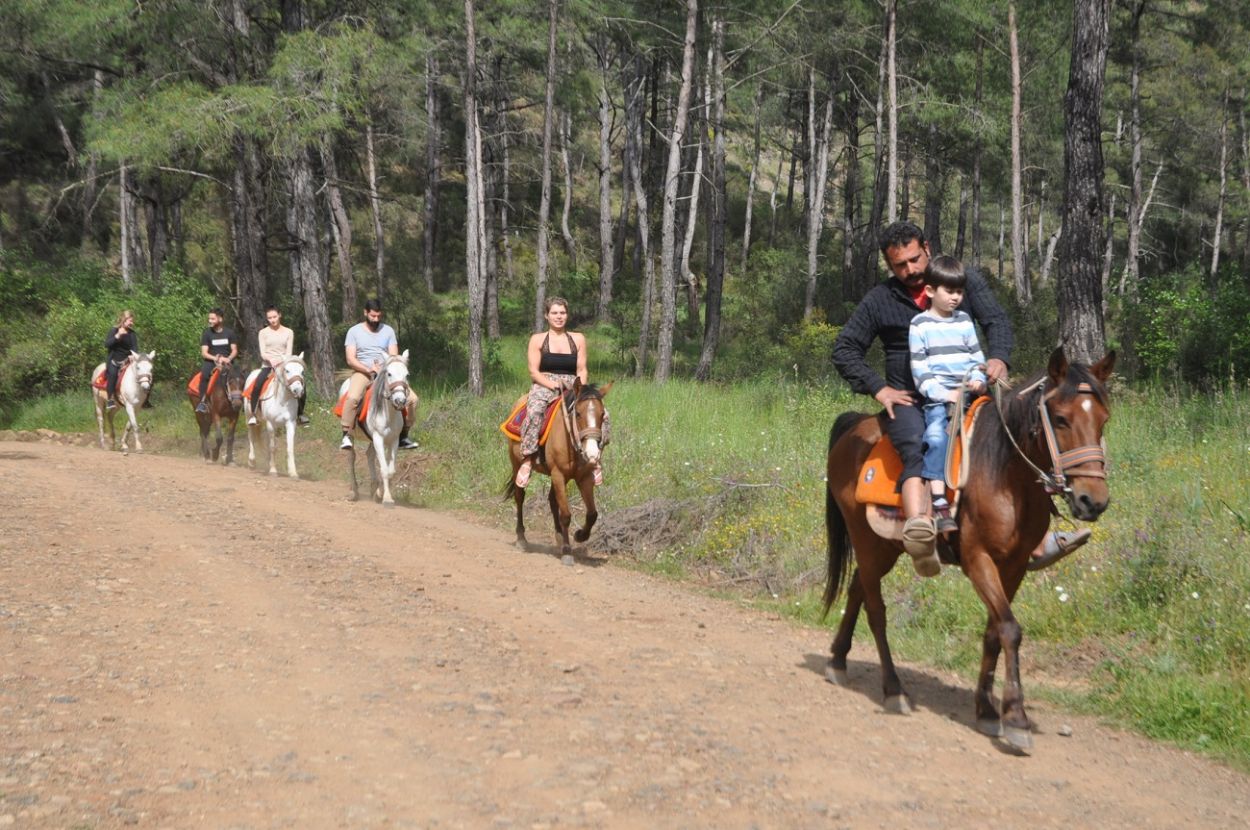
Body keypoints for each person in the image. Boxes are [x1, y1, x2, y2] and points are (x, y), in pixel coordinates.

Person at [833, 221, 1088, 575]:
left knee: (1019, 438)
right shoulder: (880, 300)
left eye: (914, 259)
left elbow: (996, 320)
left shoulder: (961, 282)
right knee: (918, 448)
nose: (910, 270)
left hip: (971, 391)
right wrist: (880, 388)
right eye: (899, 266)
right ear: (889, 266)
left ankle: (1035, 535)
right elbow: (845, 349)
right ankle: (921, 530)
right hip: (913, 400)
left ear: (927, 247)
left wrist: (998, 357)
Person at [909, 255, 987, 535]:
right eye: (949, 291)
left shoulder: (965, 321)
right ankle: (939, 499)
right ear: (930, 291)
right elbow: (921, 371)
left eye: (959, 292)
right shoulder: (920, 325)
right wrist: (945, 394)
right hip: (939, 398)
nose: (956, 298)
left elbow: (977, 357)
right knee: (936, 436)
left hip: (970, 394)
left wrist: (979, 379)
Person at [514, 296, 605, 489]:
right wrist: (553, 386)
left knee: (601, 415)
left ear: (567, 315)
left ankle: (595, 459)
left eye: (562, 312)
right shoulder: (537, 339)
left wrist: (582, 389)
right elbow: (533, 371)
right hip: (545, 384)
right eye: (554, 313)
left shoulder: (578, 338)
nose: (559, 317)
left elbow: (582, 368)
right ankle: (528, 458)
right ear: (547, 315)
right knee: (535, 410)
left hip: (574, 384)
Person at [340, 298, 417, 451]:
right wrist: (368, 369)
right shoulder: (354, 331)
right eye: (372, 316)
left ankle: (403, 435)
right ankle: (347, 433)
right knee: (353, 397)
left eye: (378, 316)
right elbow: (350, 358)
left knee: (413, 399)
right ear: (365, 313)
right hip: (363, 371)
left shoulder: (388, 331)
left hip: (386, 373)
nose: (375, 319)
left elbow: (394, 357)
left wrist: (382, 368)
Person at [248, 306, 310, 427]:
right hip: (267, 365)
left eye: (274, 317)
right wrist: (271, 360)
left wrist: (282, 362)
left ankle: (300, 414)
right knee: (257, 384)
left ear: (279, 315)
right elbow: (263, 353)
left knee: (300, 383)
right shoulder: (263, 332)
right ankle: (253, 414)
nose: (272, 320)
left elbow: (288, 352)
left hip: (284, 365)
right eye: (269, 318)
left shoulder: (288, 332)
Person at [194, 307, 238, 414]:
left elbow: (234, 350)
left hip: (227, 361)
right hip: (211, 361)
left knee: (239, 376)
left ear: (220, 319)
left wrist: (228, 358)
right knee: (204, 375)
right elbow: (204, 353)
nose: (210, 321)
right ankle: (202, 402)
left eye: (213, 319)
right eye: (209, 319)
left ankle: (241, 401)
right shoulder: (207, 334)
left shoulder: (230, 333)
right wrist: (216, 358)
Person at [104, 310, 138, 411]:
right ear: (124, 320)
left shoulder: (132, 333)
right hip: (115, 360)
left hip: (127, 361)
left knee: (143, 374)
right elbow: (107, 344)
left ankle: (144, 399)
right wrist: (117, 336)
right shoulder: (114, 330)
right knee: (113, 375)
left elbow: (135, 347)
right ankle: (110, 400)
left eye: (132, 321)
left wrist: (133, 355)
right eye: (130, 321)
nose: (132, 323)